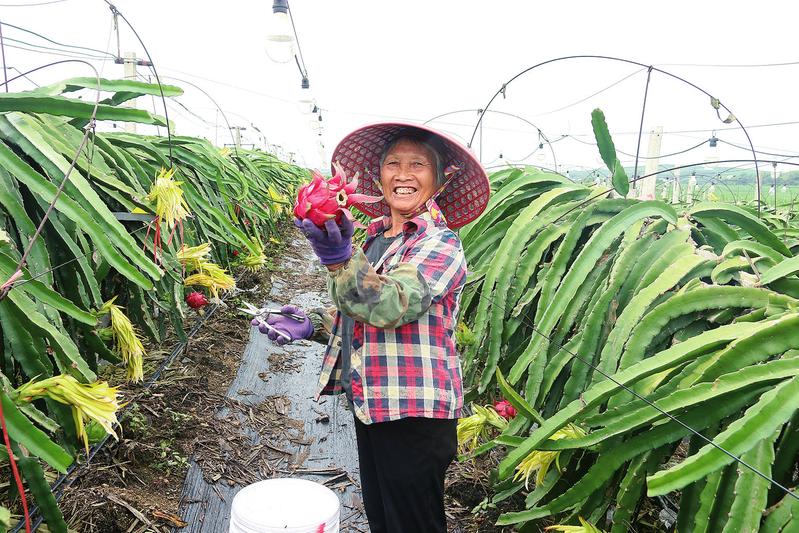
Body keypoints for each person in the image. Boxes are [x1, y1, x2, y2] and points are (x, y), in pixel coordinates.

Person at [255, 122, 490, 533]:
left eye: (417, 165)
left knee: (412, 526)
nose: (403, 174)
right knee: (383, 518)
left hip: (414, 412)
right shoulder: (377, 239)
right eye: (392, 164)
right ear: (378, 177)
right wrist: (313, 325)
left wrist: (338, 260)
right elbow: (360, 317)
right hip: (373, 403)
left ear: (440, 180)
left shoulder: (440, 243)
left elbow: (390, 305)